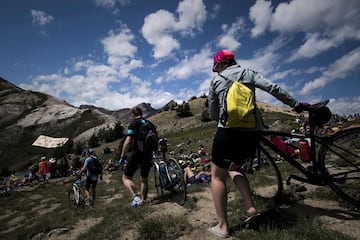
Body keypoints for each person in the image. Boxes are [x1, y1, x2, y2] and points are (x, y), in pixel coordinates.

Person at [207, 49, 307, 238]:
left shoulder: (216, 81)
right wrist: (295, 104)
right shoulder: (248, 73)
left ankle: (222, 227)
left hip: (227, 132)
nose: (216, 71)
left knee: (217, 177)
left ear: (220, 64)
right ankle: (250, 208)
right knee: (236, 168)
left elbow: (213, 114)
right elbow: (273, 88)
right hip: (252, 133)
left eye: (216, 67)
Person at [119, 107, 153, 207]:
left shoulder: (134, 124)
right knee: (144, 178)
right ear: (141, 113)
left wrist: (122, 156)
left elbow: (128, 141)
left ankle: (135, 196)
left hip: (137, 153)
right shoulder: (149, 123)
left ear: (133, 115)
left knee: (126, 177)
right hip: (148, 153)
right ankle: (144, 201)